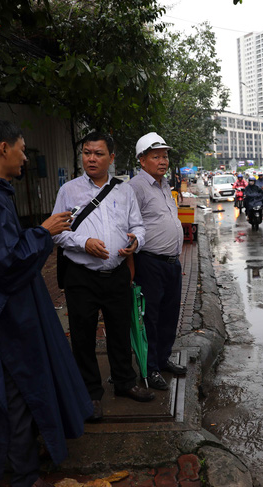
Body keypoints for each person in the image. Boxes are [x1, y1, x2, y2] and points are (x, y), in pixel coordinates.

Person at [0, 120, 92, 487]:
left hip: (9, 309)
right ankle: (24, 477)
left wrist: (36, 232)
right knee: (20, 392)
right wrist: (44, 232)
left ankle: (23, 462)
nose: (26, 156)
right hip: (6, 316)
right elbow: (4, 264)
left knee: (23, 389)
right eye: (22, 148)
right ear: (3, 148)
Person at [53, 132, 154, 411]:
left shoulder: (124, 190)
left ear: (111, 157)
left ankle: (124, 381)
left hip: (116, 273)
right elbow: (57, 234)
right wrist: (83, 243)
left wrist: (136, 242)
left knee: (120, 331)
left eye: (98, 153)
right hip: (80, 276)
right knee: (83, 336)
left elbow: (139, 226)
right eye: (87, 153)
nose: (91, 159)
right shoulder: (68, 191)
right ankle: (90, 393)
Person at [128, 132, 188, 391]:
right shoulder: (135, 187)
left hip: (171, 262)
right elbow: (129, 227)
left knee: (169, 314)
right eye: (156, 156)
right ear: (142, 160)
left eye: (165, 156)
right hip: (149, 262)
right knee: (149, 318)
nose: (163, 161)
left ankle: (163, 359)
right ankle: (150, 368)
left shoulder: (164, 184)